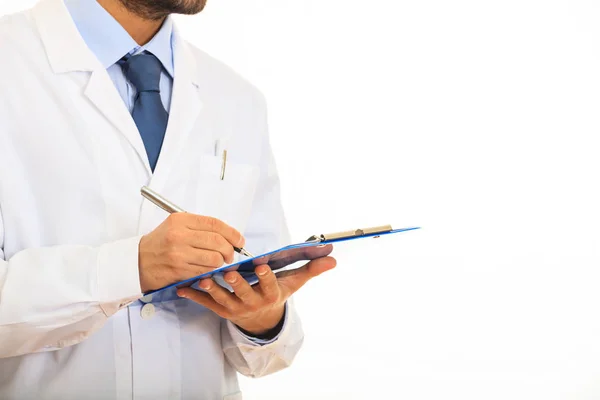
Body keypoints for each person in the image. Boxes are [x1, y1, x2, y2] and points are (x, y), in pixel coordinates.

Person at [0, 0, 337, 398]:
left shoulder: (236, 98)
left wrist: (262, 319)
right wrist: (131, 268)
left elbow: (265, 355)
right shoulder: (12, 63)